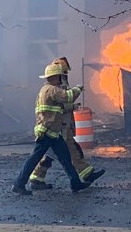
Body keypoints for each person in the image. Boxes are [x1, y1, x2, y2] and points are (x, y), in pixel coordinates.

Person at [13, 61, 99, 194]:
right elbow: (68, 97)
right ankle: (19, 184)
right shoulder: (52, 89)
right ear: (54, 77)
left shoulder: (45, 90)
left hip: (53, 132)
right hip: (47, 132)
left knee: (65, 158)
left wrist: (74, 108)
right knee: (34, 159)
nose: (61, 79)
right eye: (59, 76)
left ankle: (75, 183)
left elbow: (60, 107)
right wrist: (78, 88)